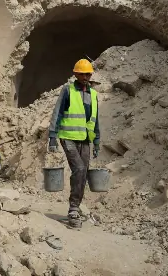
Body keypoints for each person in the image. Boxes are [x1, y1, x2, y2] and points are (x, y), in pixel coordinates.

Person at [47, 58, 100, 229]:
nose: (86, 77)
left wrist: (97, 140)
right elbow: (58, 112)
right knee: (78, 168)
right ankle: (73, 210)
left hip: (85, 138)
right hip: (67, 136)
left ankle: (76, 206)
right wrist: (53, 136)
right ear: (76, 74)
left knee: (83, 172)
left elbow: (95, 119)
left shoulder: (93, 94)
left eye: (88, 74)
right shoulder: (68, 90)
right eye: (83, 74)